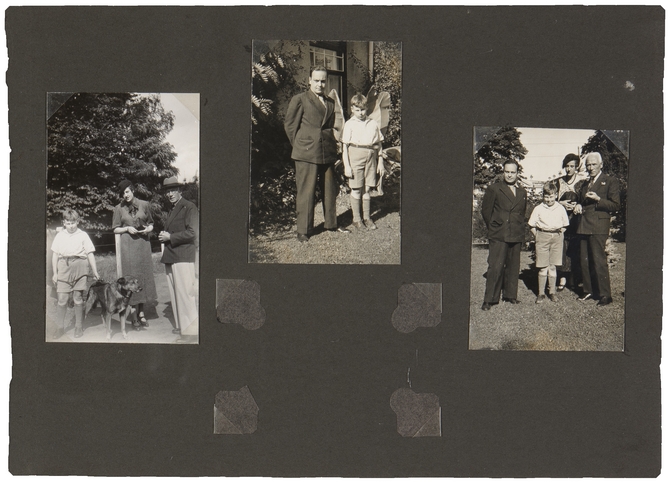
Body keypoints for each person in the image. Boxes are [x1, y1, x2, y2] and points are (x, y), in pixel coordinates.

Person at [284, 65, 349, 242]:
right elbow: (290, 126)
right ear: (309, 80)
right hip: (306, 152)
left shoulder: (330, 102)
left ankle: (331, 223)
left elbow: (330, 126)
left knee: (330, 189)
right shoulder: (300, 99)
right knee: (306, 191)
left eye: (323, 81)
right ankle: (303, 230)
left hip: (327, 150)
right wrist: (301, 145)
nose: (320, 84)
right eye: (316, 80)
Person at [573, 152, 620, 306]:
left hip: (599, 226)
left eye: (594, 164)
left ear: (601, 165)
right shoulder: (585, 184)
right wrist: (578, 205)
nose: (591, 167)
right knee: (584, 260)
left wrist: (599, 199)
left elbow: (615, 205)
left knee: (599, 260)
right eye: (588, 165)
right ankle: (588, 291)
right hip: (584, 224)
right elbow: (582, 202)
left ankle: (605, 295)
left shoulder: (610, 181)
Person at [480, 160, 528, 310]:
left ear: (517, 173)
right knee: (495, 266)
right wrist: (495, 226)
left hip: (516, 232)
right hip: (499, 233)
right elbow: (486, 211)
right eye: (507, 172)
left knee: (513, 266)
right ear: (503, 172)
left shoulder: (522, 192)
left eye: (513, 172)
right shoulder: (494, 189)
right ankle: (489, 299)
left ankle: (510, 295)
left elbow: (522, 213)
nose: (509, 175)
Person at [112, 180, 158, 327]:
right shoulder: (118, 208)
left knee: (142, 276)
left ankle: (141, 313)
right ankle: (133, 314)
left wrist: (149, 229)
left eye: (127, 191)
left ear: (132, 190)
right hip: (128, 247)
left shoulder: (144, 204)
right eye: (123, 193)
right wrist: (126, 229)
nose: (125, 195)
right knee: (130, 278)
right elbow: (115, 228)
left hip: (143, 244)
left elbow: (151, 223)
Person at [158, 176, 199, 338]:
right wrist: (165, 235)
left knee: (185, 294)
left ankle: (191, 331)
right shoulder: (172, 209)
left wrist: (170, 237)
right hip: (171, 256)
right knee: (175, 293)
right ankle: (182, 326)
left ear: (180, 190)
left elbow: (193, 232)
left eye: (173, 190)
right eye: (168, 191)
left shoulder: (189, 207)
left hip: (183, 255)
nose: (170, 194)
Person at [50, 209, 100, 339]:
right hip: (63, 266)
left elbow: (90, 253)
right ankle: (60, 327)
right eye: (68, 223)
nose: (71, 226)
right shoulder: (60, 236)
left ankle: (78, 326)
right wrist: (55, 273)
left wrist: (95, 271)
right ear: (64, 223)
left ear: (77, 222)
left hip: (80, 266)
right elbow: (55, 255)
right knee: (62, 299)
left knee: (78, 298)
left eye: (73, 223)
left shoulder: (83, 235)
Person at [341, 93, 385, 230]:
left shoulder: (373, 123)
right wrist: (347, 166)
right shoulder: (349, 124)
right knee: (356, 188)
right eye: (357, 110)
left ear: (367, 108)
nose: (360, 113)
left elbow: (379, 144)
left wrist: (380, 161)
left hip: (371, 156)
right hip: (355, 155)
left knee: (367, 188)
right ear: (352, 109)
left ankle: (367, 218)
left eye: (363, 110)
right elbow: (345, 147)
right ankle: (356, 219)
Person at [528, 181, 570, 303]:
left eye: (551, 196)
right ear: (543, 196)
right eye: (546, 197)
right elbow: (531, 225)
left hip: (556, 238)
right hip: (542, 236)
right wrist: (538, 236)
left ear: (556, 195)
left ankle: (552, 292)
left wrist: (559, 234)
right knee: (542, 267)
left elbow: (565, 224)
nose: (549, 199)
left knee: (552, 266)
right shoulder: (538, 208)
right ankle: (541, 293)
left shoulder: (560, 208)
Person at [556, 153, 588, 291]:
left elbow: (586, 200)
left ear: (576, 167)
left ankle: (577, 278)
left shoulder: (582, 182)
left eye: (572, 166)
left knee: (577, 248)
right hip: (562, 220)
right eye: (567, 166)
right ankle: (563, 278)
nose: (569, 169)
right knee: (563, 248)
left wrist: (578, 205)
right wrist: (561, 203)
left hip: (577, 220)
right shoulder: (558, 182)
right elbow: (549, 199)